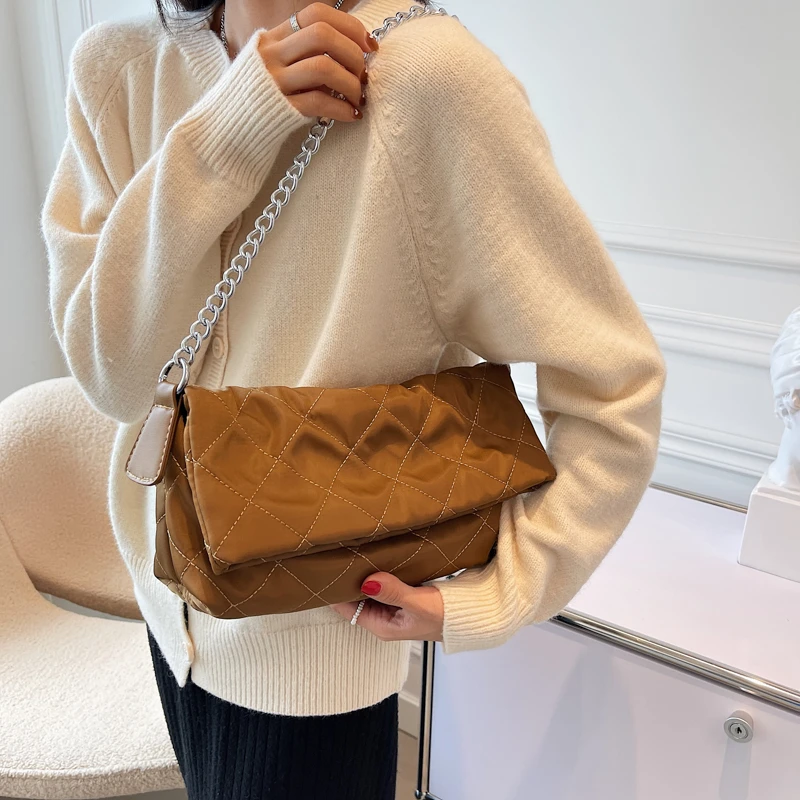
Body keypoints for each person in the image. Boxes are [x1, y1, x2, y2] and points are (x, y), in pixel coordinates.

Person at [41, 0, 667, 796]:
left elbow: (615, 385)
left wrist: (505, 588)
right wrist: (229, 129)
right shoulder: (121, 71)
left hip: (319, 671)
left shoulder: (428, 82)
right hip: (169, 627)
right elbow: (113, 376)